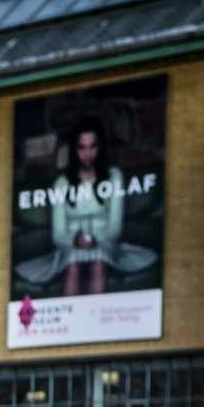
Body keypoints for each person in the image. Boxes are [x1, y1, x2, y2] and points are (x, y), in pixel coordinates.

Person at [52, 117, 122, 299]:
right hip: (71, 246)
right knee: (73, 266)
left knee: (98, 262)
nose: (88, 153)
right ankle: (71, 325)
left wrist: (96, 240)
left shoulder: (113, 177)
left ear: (100, 147)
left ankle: (94, 323)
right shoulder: (62, 183)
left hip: (104, 243)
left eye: (93, 146)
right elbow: (58, 234)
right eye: (82, 148)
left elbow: (115, 227)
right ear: (74, 150)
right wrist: (74, 241)